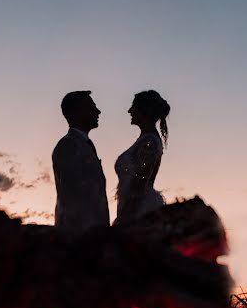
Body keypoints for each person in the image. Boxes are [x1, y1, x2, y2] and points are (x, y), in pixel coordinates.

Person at [52, 90, 109, 237]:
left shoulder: (84, 145)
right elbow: (72, 197)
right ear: (77, 112)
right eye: (91, 107)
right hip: (80, 238)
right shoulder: (68, 146)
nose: (98, 111)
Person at [114, 90, 170, 223]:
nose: (129, 111)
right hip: (134, 205)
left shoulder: (149, 142)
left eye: (133, 106)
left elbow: (140, 180)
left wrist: (126, 214)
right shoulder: (145, 140)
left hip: (138, 208)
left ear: (145, 110)